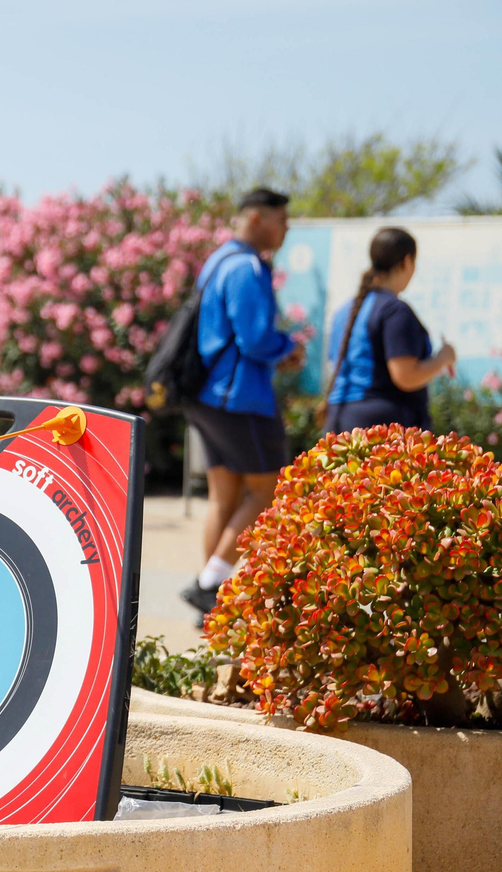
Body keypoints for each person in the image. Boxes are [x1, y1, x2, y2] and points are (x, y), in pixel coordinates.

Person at [179, 188, 306, 616]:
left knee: (224, 498)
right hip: (239, 398)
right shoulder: (248, 267)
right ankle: (209, 583)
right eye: (281, 220)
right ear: (255, 219)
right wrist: (287, 347)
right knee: (268, 491)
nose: (286, 228)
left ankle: (208, 603)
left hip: (206, 396)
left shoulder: (216, 261)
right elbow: (254, 339)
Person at [323, 227, 457, 434]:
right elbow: (405, 376)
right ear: (407, 262)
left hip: (338, 422)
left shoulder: (345, 311)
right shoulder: (394, 311)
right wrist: (443, 358)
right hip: (380, 428)